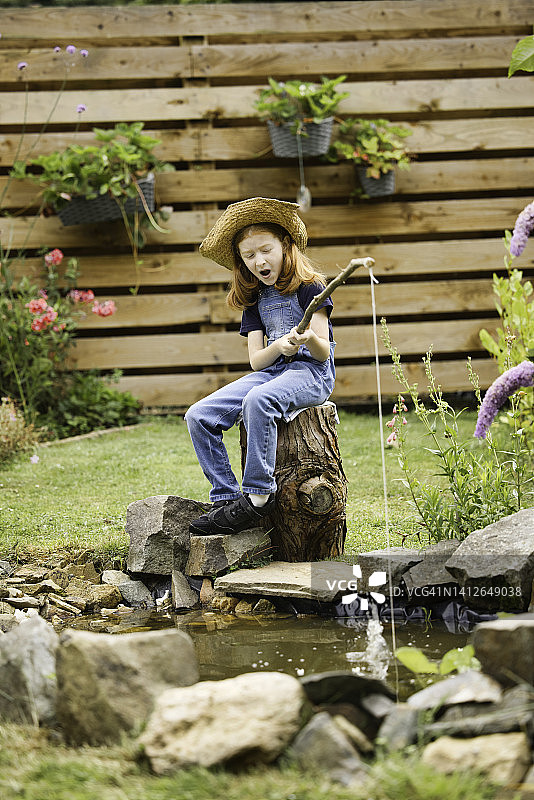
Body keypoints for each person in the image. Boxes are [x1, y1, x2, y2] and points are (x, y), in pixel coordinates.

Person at [185, 197, 336, 536]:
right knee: (198, 416)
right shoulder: (254, 299)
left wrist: (304, 339)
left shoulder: (310, 287)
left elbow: (323, 352)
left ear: (285, 247)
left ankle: (257, 495)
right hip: (270, 372)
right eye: (249, 256)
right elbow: (256, 360)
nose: (259, 261)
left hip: (310, 375)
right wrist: (278, 346)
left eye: (266, 250)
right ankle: (225, 499)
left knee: (259, 401)